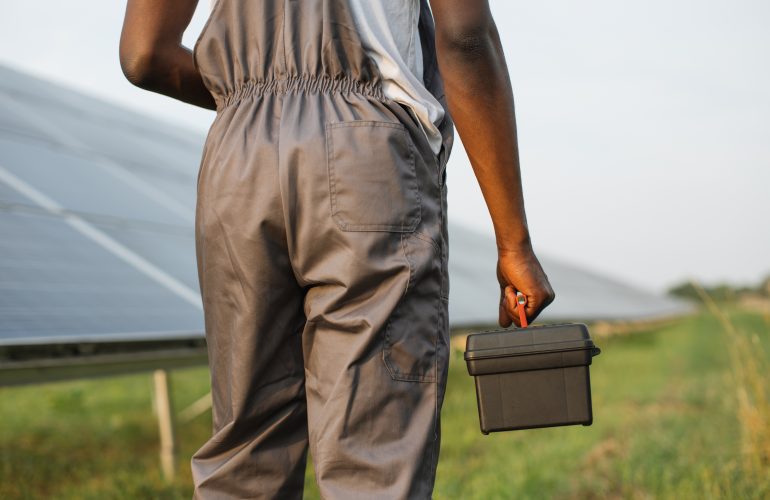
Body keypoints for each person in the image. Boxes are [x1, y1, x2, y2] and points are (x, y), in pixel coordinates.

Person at [120, 0, 555, 497]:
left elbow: (142, 55)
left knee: (243, 461)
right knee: (372, 463)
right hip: (364, 152)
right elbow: (465, 37)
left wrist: (252, 98)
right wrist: (514, 243)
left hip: (237, 156)